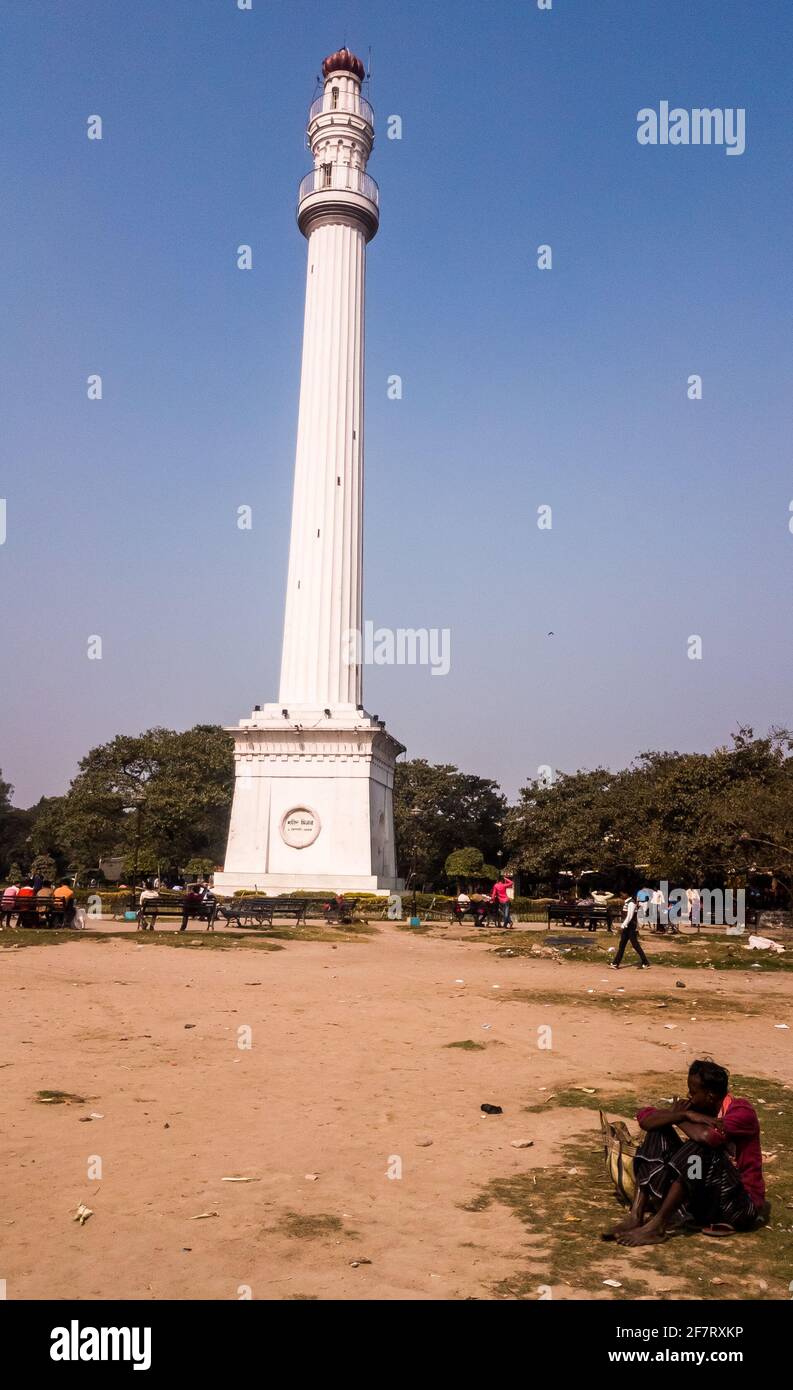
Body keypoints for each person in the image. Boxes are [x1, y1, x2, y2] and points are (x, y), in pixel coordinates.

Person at [610, 1059, 766, 1246]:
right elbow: (645, 1117)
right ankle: (636, 1214)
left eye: (693, 1093)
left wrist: (680, 1117)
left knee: (700, 1149)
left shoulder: (741, 1111)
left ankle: (659, 1225)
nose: (689, 1097)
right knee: (658, 1130)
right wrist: (680, 1115)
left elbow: (708, 1137)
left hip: (739, 1206)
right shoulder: (698, 1108)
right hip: (707, 1201)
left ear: (709, 1096)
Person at [610, 892, 650, 969]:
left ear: (627, 894)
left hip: (631, 926)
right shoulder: (627, 902)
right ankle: (615, 963)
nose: (621, 895)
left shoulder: (631, 903)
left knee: (635, 945)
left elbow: (630, 916)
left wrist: (622, 926)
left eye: (622, 893)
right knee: (622, 945)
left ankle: (645, 962)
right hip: (628, 926)